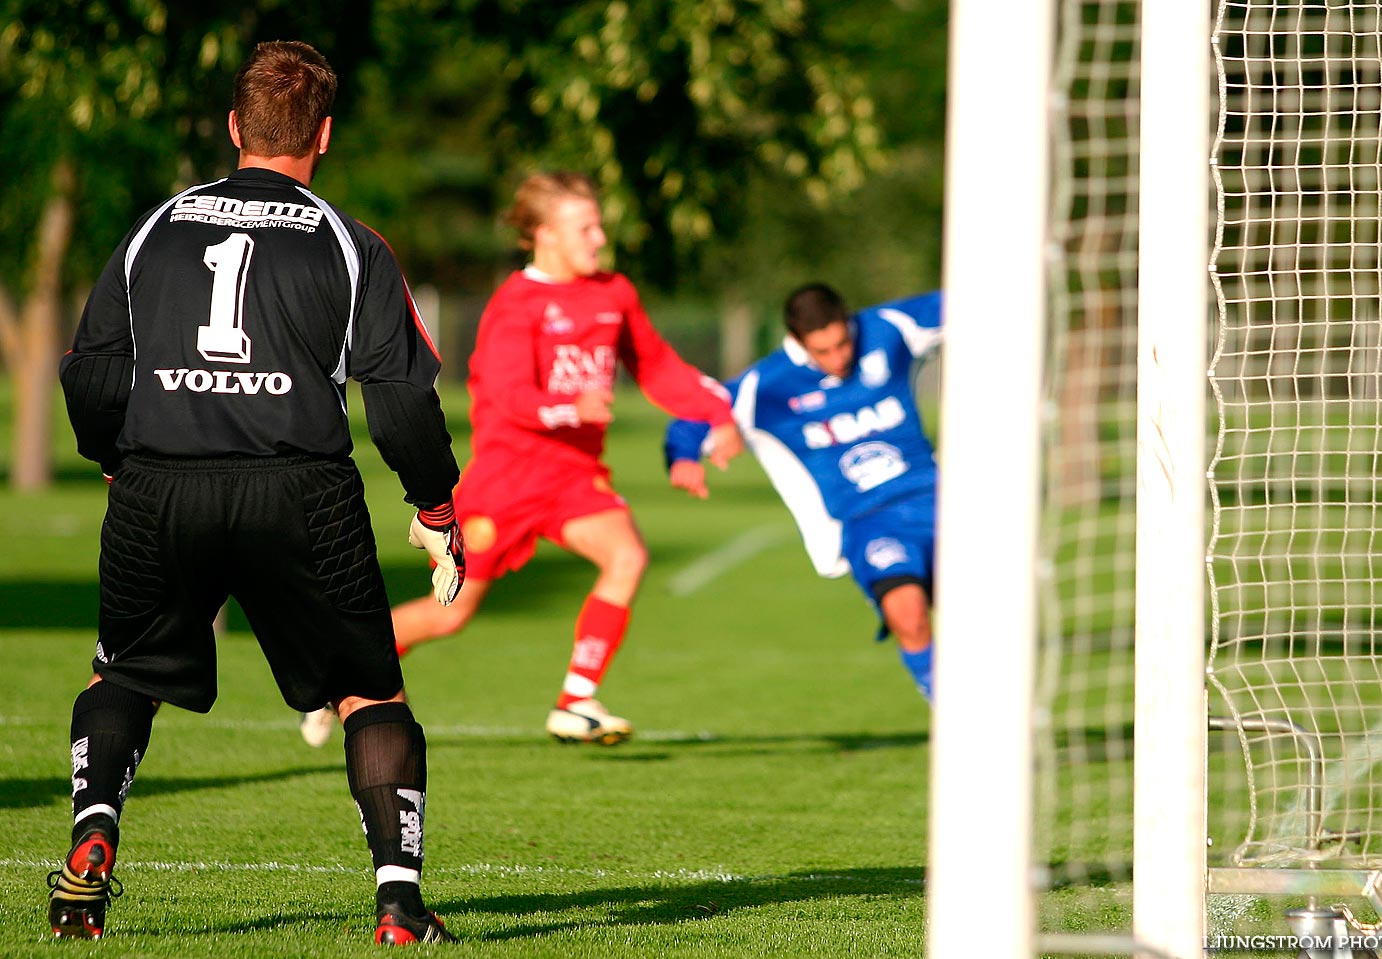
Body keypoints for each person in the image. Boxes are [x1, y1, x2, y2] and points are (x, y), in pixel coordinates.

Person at [51, 41, 463, 946]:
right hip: (301, 492)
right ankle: (398, 904)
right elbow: (400, 405)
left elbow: (86, 374)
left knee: (122, 672)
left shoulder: (153, 229)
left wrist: (117, 459)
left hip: (160, 484)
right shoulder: (353, 246)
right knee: (369, 695)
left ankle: (92, 835)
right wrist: (435, 507)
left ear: (235, 127)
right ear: (323, 134)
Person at [302, 170, 742, 749]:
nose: (598, 237)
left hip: (576, 479)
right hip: (507, 482)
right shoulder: (517, 304)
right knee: (448, 614)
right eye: (585, 227)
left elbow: (658, 366)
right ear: (544, 234)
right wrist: (571, 406)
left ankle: (576, 700)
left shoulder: (614, 292)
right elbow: (506, 399)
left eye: (598, 225)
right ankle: (334, 670)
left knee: (628, 556)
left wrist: (717, 414)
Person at [664, 284, 941, 701]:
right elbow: (695, 415)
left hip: (937, 500)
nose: (838, 358)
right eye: (823, 351)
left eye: (843, 343)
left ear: (849, 321)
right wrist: (684, 457)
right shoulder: (768, 385)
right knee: (907, 613)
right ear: (797, 342)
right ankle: (949, 707)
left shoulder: (887, 328)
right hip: (868, 520)